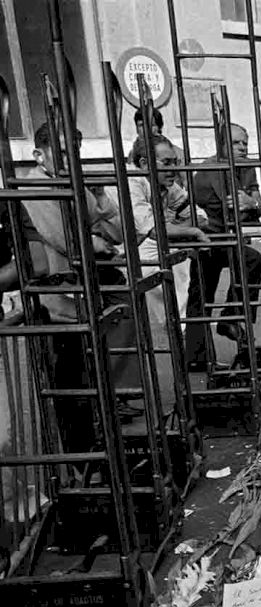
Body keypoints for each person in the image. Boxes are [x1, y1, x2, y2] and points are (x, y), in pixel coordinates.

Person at [22, 123, 140, 432]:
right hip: (57, 284)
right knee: (73, 357)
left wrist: (101, 197)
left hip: (87, 277)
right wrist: (95, 239)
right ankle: (89, 412)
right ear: (38, 155)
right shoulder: (34, 188)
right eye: (62, 153)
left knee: (124, 307)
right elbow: (63, 238)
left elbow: (119, 232)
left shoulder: (75, 184)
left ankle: (109, 394)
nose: (70, 160)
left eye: (75, 153)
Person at [186, 122, 261, 366]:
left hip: (229, 238)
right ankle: (197, 356)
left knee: (251, 260)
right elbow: (233, 210)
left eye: (245, 143)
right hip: (207, 239)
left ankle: (231, 317)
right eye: (236, 143)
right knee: (201, 294)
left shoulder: (247, 166)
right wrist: (249, 204)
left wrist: (251, 203)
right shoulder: (210, 169)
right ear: (222, 145)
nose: (243, 147)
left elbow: (256, 205)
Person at [127, 133, 208, 326]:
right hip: (121, 252)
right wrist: (192, 231)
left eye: (175, 162)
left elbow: (201, 216)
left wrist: (174, 228)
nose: (173, 169)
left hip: (147, 244)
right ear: (145, 164)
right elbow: (152, 230)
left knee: (187, 257)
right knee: (176, 259)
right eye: (166, 163)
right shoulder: (133, 182)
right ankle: (179, 324)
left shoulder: (166, 185)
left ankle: (183, 323)